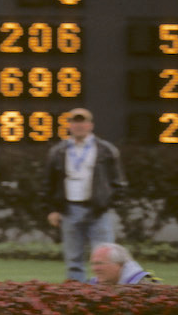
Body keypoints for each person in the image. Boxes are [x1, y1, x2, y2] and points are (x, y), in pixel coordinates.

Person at [45, 108, 127, 282]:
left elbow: (117, 181)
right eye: (75, 122)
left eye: (83, 122)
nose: (79, 125)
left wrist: (108, 204)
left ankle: (107, 295)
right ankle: (77, 296)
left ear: (91, 125)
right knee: (73, 258)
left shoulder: (106, 149)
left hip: (97, 210)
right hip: (69, 209)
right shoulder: (58, 151)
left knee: (106, 257)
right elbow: (49, 183)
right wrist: (53, 209)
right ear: (69, 125)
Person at [88, 242, 158, 284]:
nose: (95, 269)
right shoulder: (95, 283)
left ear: (118, 264)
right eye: (93, 264)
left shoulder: (144, 284)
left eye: (100, 263)